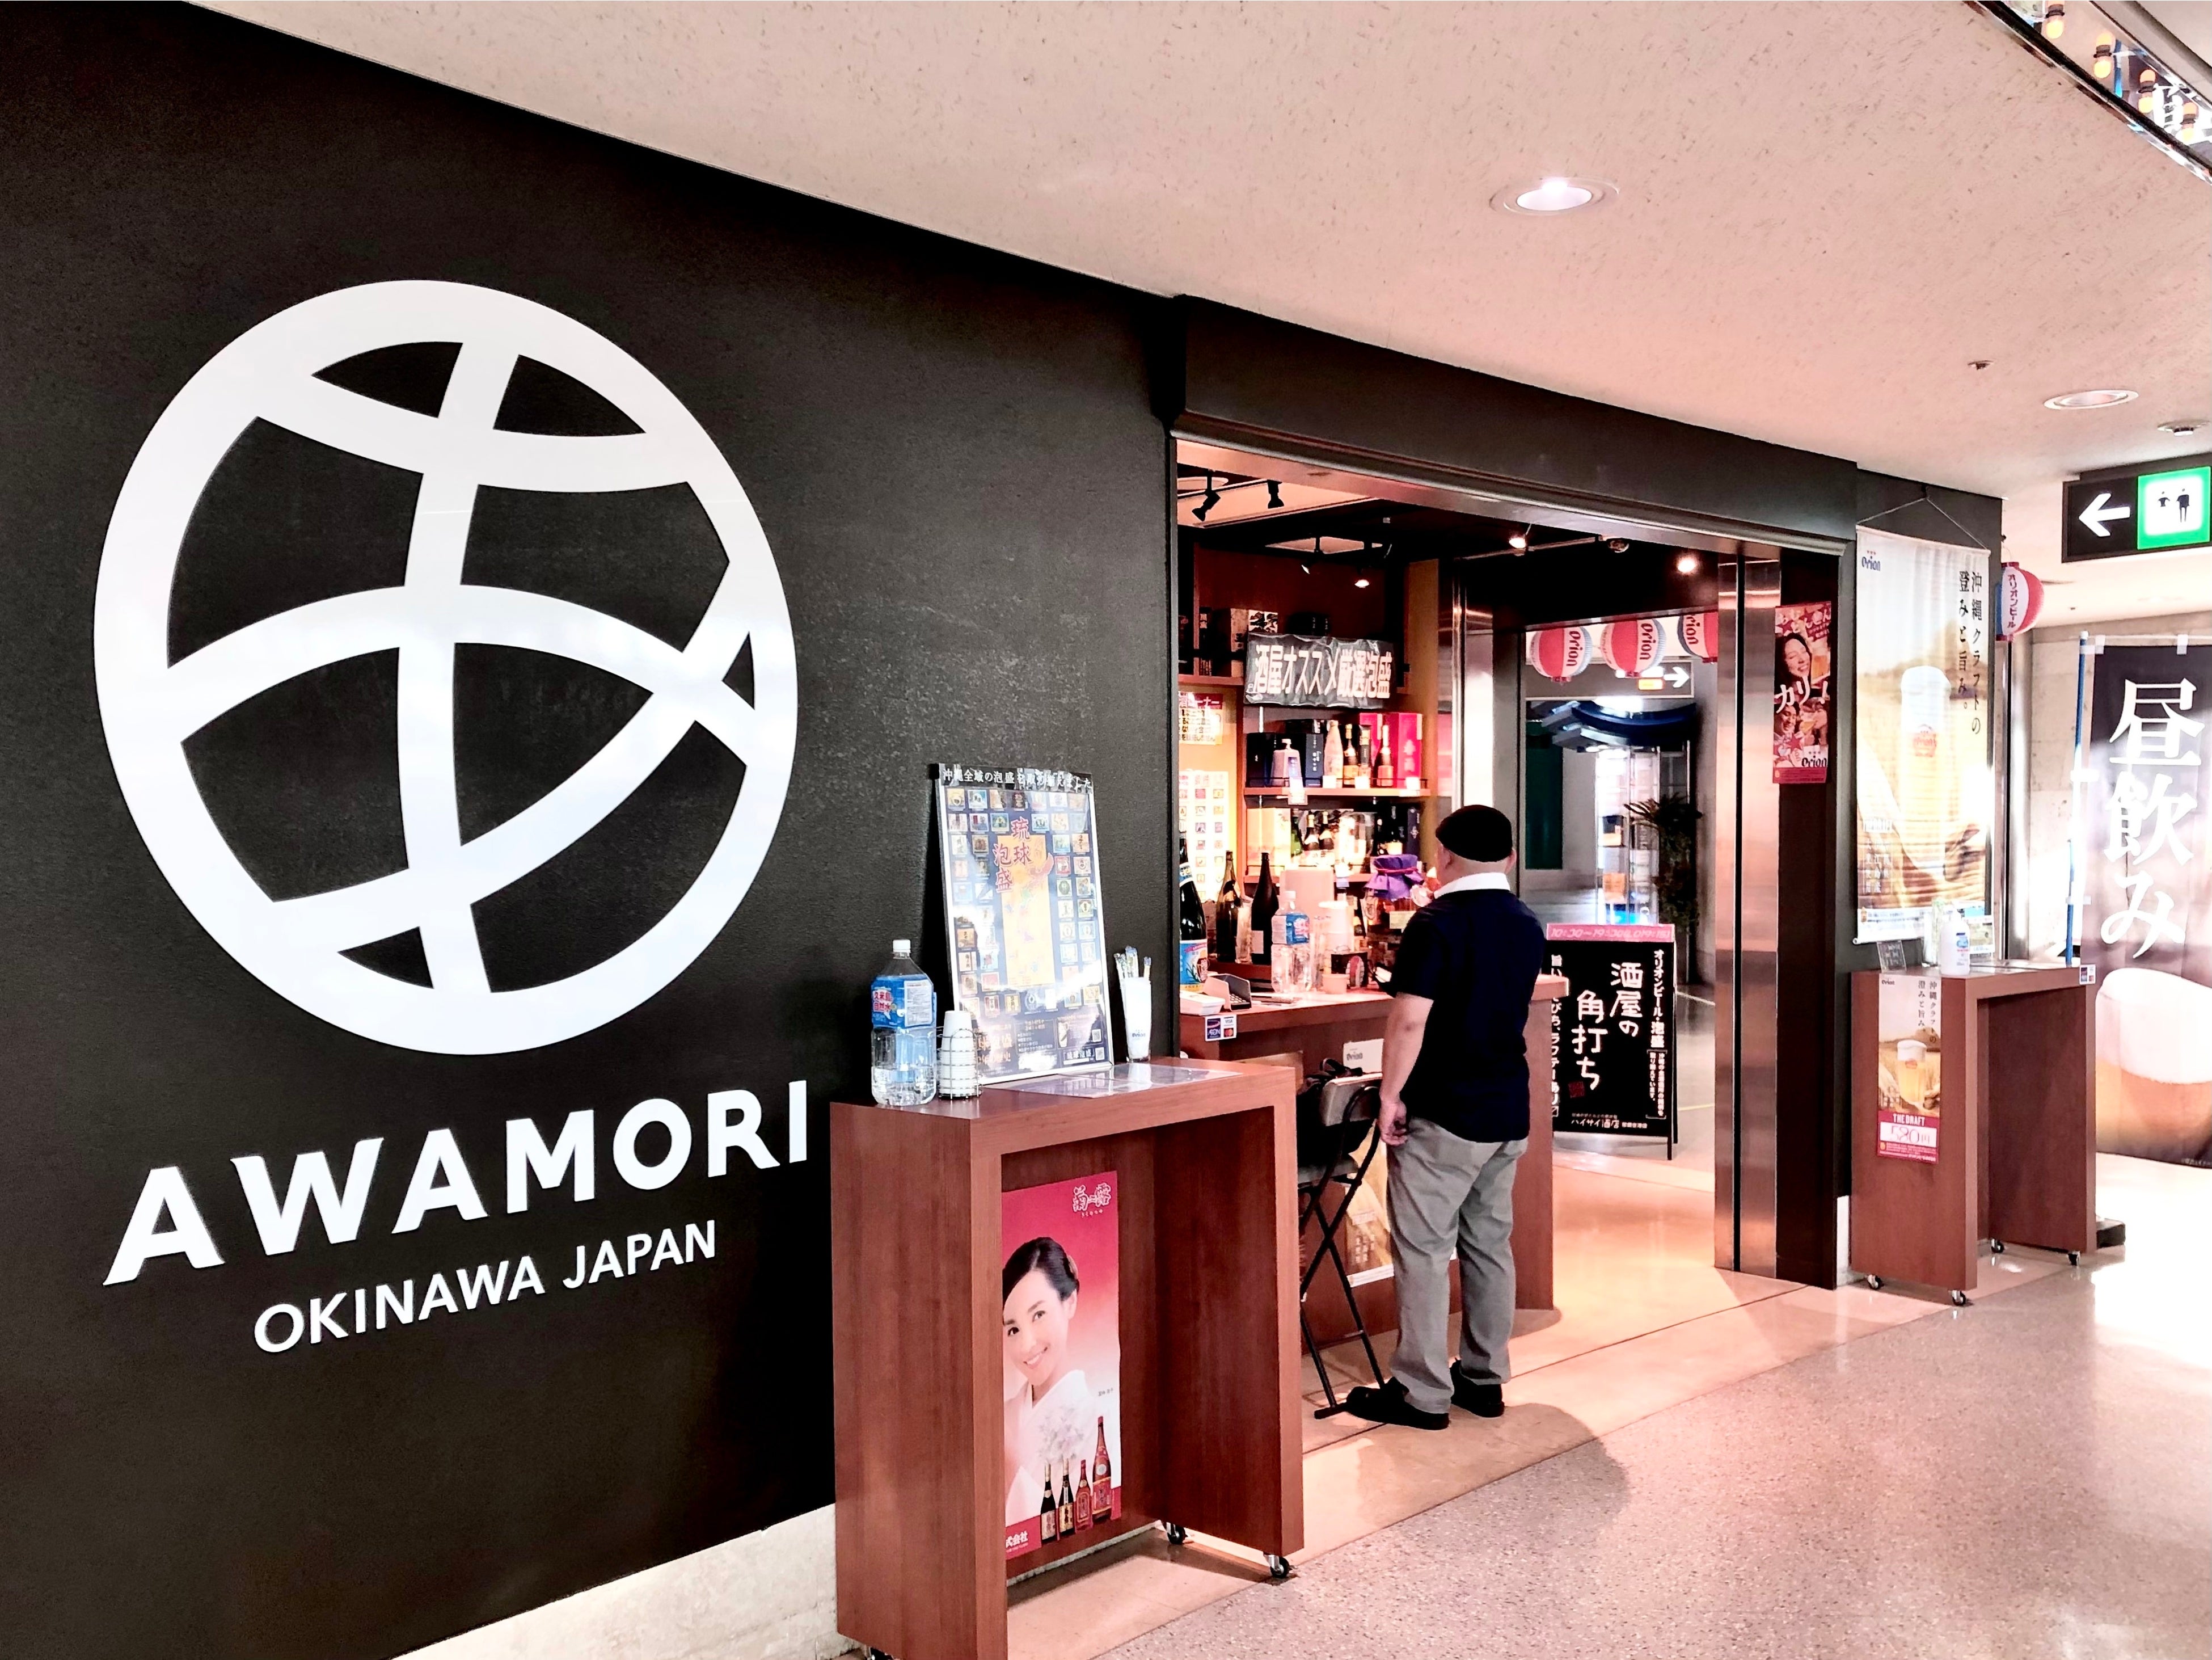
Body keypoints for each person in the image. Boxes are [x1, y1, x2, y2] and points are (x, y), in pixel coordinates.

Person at [1346, 804, 1545, 1431]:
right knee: (1489, 1244)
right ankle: (1484, 1378)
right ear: (1510, 858)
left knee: (1426, 1249)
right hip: (1507, 1109)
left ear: (1446, 856)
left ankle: (1422, 1391)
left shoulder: (1437, 924)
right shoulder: (1526, 922)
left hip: (1446, 1110)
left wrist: (1389, 1095)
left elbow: (1410, 1021)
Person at [1001, 1236, 1105, 1523]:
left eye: (1039, 1315)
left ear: (1070, 1302)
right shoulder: (1004, 1414)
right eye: (1013, 1330)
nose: (1027, 1345)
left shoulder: (1094, 1420)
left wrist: (1011, 1471)